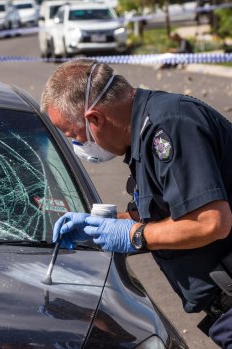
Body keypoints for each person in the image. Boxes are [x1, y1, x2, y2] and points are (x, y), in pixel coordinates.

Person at [41, 59, 232, 348]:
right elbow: (167, 211)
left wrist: (134, 236)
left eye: (74, 135)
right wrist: (106, 225)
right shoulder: (144, 134)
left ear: (95, 119)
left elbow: (212, 222)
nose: (78, 144)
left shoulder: (169, 127)